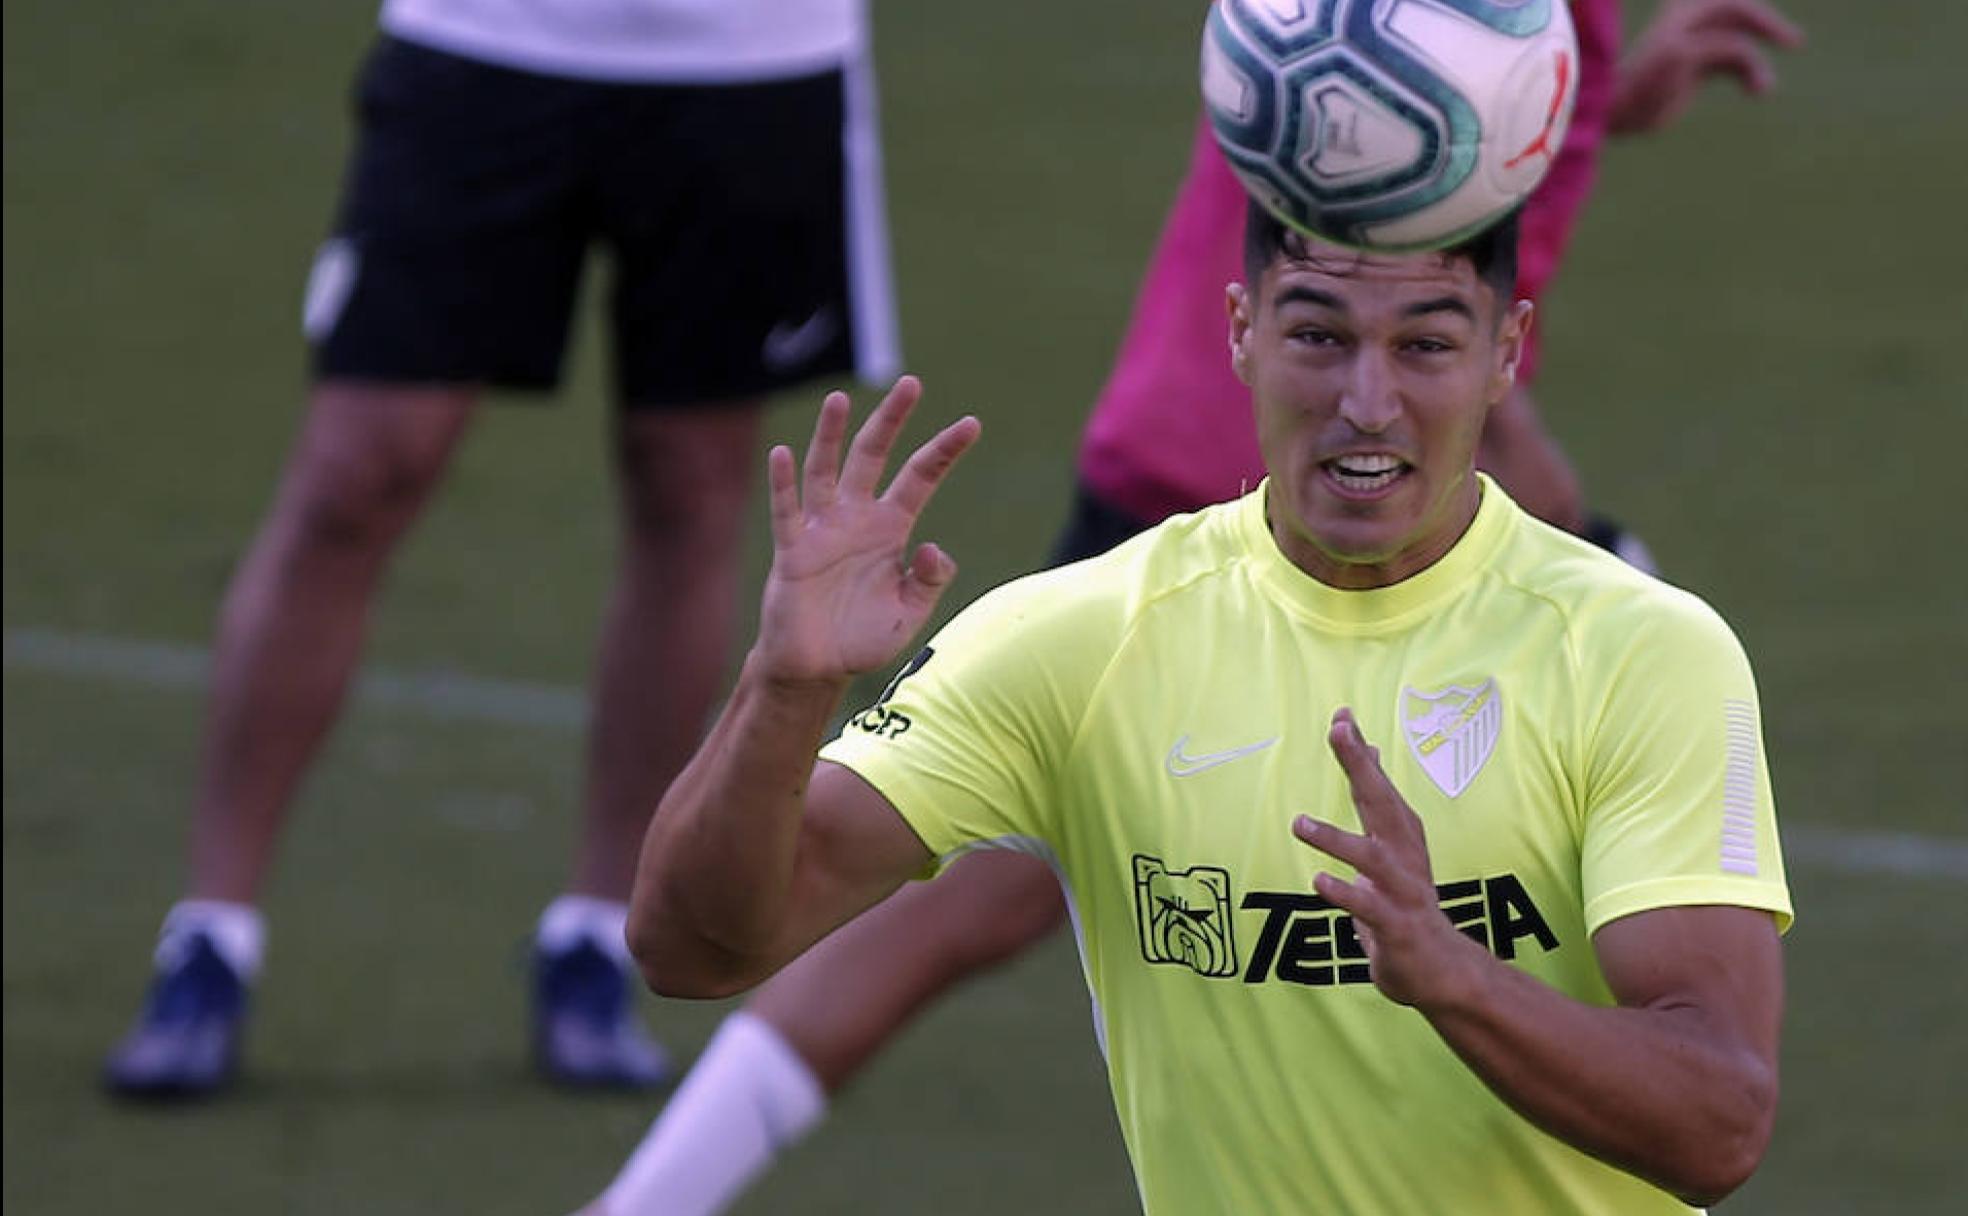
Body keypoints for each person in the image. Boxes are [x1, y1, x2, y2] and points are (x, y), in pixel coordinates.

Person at [579, 0, 1801, 1209]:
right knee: (963, 913)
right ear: (1244, 333)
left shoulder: (1645, 653)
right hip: (1177, 482)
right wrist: (784, 692)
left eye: (1424, 345)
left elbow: (1720, 1123)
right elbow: (694, 946)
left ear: (1504, 348)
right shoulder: (1079, 637)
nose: (1367, 399)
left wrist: (1456, 978)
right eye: (1317, 335)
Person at [102, 0, 898, 1098]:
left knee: (693, 484)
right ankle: (210, 937)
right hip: (489, 38)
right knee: (357, 473)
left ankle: (598, 936)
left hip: (755, 58)